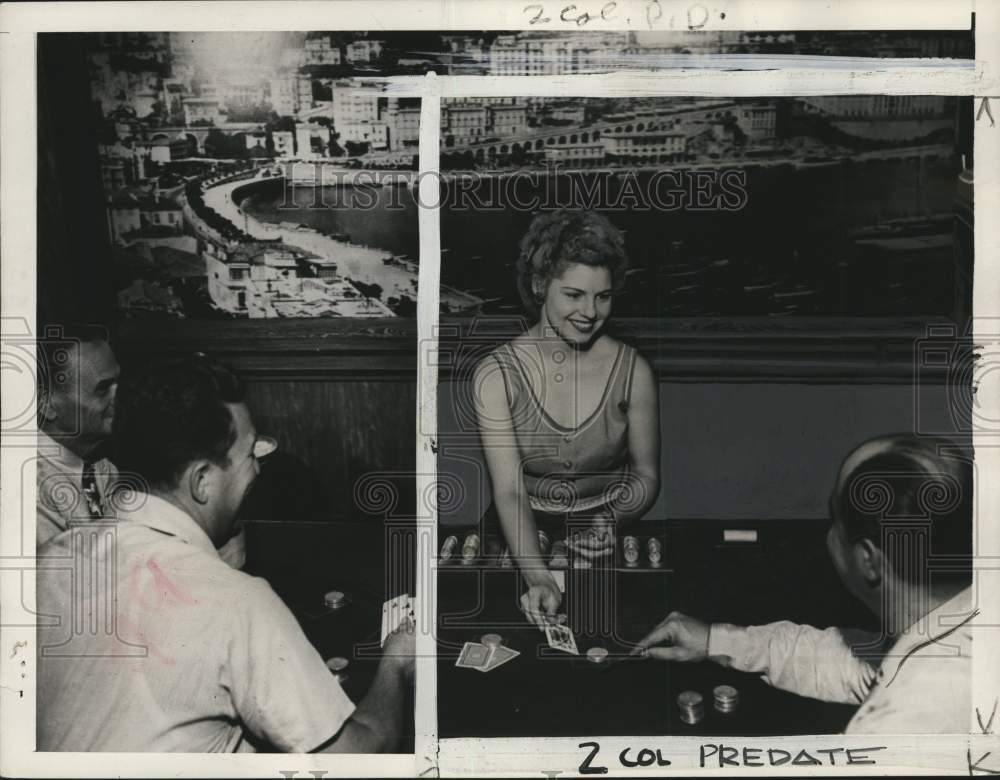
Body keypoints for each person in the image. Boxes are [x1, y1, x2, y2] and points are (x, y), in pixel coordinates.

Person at [37, 356, 414, 752]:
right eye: (251, 455)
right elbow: (351, 758)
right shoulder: (239, 602)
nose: (258, 471)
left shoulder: (50, 559)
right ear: (202, 481)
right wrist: (396, 664)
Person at [633, 434, 974, 734]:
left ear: (868, 559)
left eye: (834, 520)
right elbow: (842, 659)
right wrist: (714, 640)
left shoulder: (901, 723)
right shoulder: (955, 626)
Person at [473, 209, 660, 629]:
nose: (590, 312)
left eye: (603, 296)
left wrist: (609, 521)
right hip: (519, 529)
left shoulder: (636, 371)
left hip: (607, 527)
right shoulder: (495, 373)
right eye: (573, 295)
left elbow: (646, 476)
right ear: (541, 286)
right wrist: (538, 575)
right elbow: (509, 491)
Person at [36, 324, 120, 547]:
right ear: (46, 403)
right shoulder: (31, 490)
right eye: (103, 389)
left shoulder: (103, 469)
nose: (118, 397)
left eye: (118, 383)